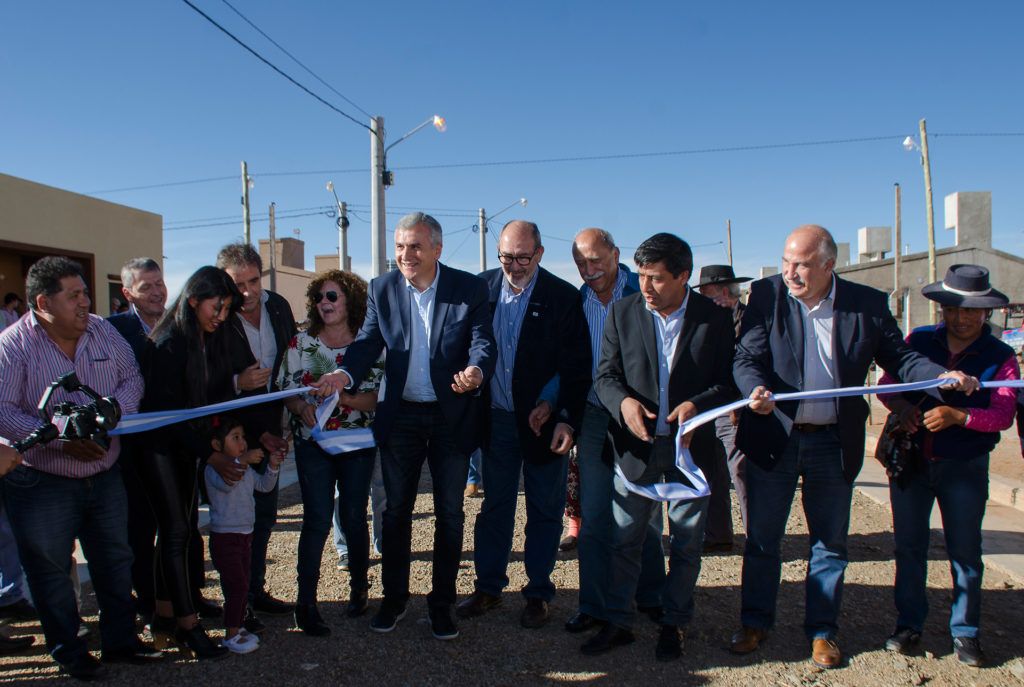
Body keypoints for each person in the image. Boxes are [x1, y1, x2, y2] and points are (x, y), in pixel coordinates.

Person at [730, 225, 979, 669]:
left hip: (832, 442)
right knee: (763, 539)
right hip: (774, 438)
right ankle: (755, 623)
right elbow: (746, 356)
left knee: (829, 543)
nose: (791, 273)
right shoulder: (765, 296)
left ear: (829, 265)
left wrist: (939, 376)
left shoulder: (865, 304)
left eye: (802, 264)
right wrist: (756, 390)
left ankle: (822, 632)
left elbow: (899, 358)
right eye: (787, 262)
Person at [313, 212, 496, 641]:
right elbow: (368, 343)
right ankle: (394, 598)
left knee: (450, 514)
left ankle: (442, 603)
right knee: (396, 512)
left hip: (450, 416)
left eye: (414, 246)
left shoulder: (468, 288)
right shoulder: (383, 288)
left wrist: (476, 370)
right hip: (402, 417)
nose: (405, 255)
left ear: (436, 247)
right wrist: (343, 375)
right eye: (399, 246)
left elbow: (482, 341)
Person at [0, 256, 160, 679]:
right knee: (50, 569)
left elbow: (132, 381)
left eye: (86, 292)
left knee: (114, 559)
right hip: (40, 480)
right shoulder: (13, 346)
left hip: (105, 472)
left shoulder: (103, 331)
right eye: (74, 296)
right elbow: (3, 409)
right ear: (42, 302)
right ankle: (69, 650)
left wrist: (105, 422)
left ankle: (121, 643)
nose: (86, 302)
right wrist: (63, 437)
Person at [585, 233, 735, 661]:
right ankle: (618, 622)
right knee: (625, 539)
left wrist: (698, 406)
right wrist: (624, 403)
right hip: (636, 447)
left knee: (686, 544)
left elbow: (728, 381)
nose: (646, 287)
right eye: (643, 276)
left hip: (692, 452)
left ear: (684, 276)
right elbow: (606, 377)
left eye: (657, 278)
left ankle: (674, 623)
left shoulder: (715, 318)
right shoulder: (623, 312)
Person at [877, 265, 1019, 667]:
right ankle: (908, 624)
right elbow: (888, 384)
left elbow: (1003, 412)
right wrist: (904, 408)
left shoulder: (1002, 357)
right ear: (941, 309)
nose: (962, 317)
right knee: (908, 547)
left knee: (965, 550)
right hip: (913, 461)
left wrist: (960, 417)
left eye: (972, 310)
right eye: (954, 308)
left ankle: (966, 632)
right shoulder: (918, 341)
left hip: (964, 466)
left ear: (986, 313)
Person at [456, 220, 591, 629]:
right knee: (495, 506)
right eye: (506, 257)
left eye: (521, 257)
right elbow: (464, 345)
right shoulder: (481, 290)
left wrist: (551, 404)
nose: (513, 266)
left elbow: (573, 365)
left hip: (540, 423)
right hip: (496, 420)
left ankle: (538, 591)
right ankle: (489, 587)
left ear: (539, 253)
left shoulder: (562, 297)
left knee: (545, 509)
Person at [141, 265, 253, 660]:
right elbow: (167, 415)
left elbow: (219, 397)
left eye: (226, 309)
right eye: (216, 307)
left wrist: (225, 443)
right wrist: (212, 454)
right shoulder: (169, 343)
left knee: (182, 530)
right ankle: (187, 626)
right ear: (192, 302)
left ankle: (165, 616)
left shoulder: (213, 338)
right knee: (174, 533)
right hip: (161, 449)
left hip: (190, 448)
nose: (221, 316)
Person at [560, 228, 666, 635]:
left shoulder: (645, 293)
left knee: (642, 512)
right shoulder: (577, 301)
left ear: (615, 254)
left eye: (596, 260)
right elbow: (569, 363)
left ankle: (651, 596)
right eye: (581, 263)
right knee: (595, 513)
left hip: (639, 416)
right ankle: (594, 605)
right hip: (592, 416)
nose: (590, 270)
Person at [109, 258, 219, 626]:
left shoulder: (181, 326)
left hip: (181, 443)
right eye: (146, 287)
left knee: (186, 523)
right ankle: (153, 603)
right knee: (145, 527)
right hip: (139, 448)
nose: (157, 292)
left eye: (160, 283)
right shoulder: (114, 331)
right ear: (127, 294)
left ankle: (191, 593)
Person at [278, 269, 384, 635]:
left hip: (357, 444)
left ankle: (359, 587)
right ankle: (305, 603)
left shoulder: (368, 345)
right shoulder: (299, 345)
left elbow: (376, 400)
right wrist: (300, 408)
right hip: (313, 444)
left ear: (350, 301)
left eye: (333, 296)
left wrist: (346, 397)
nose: (325, 303)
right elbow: (287, 392)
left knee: (354, 515)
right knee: (317, 519)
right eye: (320, 297)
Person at [216, 243, 296, 624]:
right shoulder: (217, 314)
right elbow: (201, 377)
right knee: (233, 523)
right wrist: (237, 381)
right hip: (233, 435)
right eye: (238, 283)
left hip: (272, 427)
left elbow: (292, 360)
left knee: (264, 516)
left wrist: (286, 421)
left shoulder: (278, 306)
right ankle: (236, 602)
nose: (248, 291)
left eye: (254, 280)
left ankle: (255, 591)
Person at [205, 415, 283, 654]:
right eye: (235, 438)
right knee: (236, 585)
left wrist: (272, 466)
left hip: (245, 535)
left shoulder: (245, 467)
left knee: (242, 583)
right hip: (225, 536)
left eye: (243, 437)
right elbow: (229, 482)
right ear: (217, 446)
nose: (242, 442)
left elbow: (263, 486)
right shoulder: (214, 469)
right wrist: (243, 460)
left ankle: (237, 627)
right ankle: (230, 632)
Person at [696, 264, 753, 550]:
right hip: (708, 411)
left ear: (724, 293)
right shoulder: (706, 324)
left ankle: (757, 536)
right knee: (712, 474)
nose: (704, 300)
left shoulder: (749, 321)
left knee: (741, 474)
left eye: (707, 294)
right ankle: (717, 534)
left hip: (739, 410)